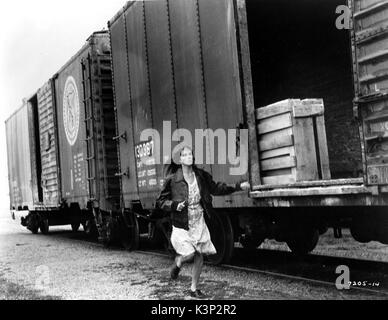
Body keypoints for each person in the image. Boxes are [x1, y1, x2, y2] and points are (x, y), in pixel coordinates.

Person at [156, 146, 250, 298]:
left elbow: (216, 188)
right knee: (191, 254)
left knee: (199, 255)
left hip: (198, 219)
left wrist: (238, 187)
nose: (188, 157)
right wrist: (174, 205)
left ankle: (194, 289)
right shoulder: (173, 180)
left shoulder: (200, 175)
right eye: (185, 155)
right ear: (180, 160)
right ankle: (179, 260)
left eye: (190, 154)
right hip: (182, 222)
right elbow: (161, 201)